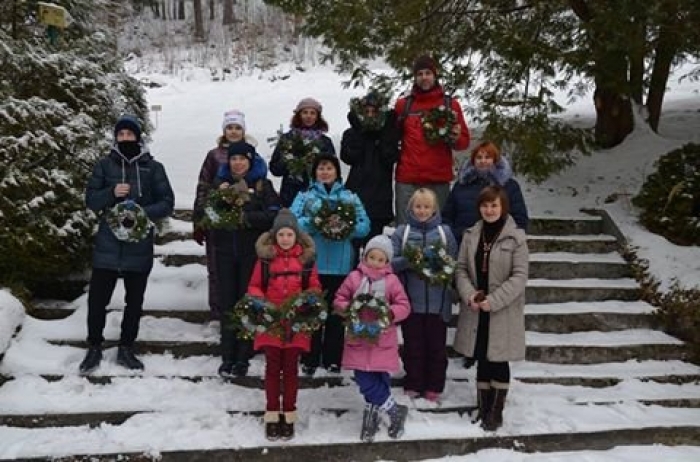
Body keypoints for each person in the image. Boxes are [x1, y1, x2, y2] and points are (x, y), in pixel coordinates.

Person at [80, 115, 175, 374]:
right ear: (115, 138)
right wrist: (111, 193)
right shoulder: (104, 165)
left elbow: (167, 202)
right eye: (120, 135)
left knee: (134, 301)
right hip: (108, 245)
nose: (125, 139)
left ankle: (126, 347)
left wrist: (142, 212)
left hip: (138, 245)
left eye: (129, 135)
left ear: (137, 137)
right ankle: (94, 347)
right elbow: (91, 200)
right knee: (97, 299)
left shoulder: (153, 168)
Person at [453, 185, 528, 432]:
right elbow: (461, 268)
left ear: (503, 207)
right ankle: (483, 407)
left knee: (498, 358)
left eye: (494, 205)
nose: (489, 210)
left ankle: (496, 412)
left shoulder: (516, 237)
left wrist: (494, 300)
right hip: (477, 308)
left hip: (502, 309)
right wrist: (469, 294)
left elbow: (519, 276)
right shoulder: (471, 234)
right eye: (485, 205)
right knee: (482, 356)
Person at [290, 153, 370, 375]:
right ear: (314, 172)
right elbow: (292, 224)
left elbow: (364, 226)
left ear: (337, 172)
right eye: (321, 168)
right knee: (312, 312)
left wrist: (343, 227)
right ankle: (310, 357)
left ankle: (333, 358)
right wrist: (318, 223)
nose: (325, 172)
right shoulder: (305, 197)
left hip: (341, 265)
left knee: (337, 314)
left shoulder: (350, 197)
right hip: (314, 263)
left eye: (329, 168)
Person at [247, 209, 321, 441]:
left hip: (296, 323)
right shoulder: (266, 260)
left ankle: (288, 414)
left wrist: (307, 301)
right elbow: (254, 286)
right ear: (275, 236)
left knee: (290, 370)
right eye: (281, 235)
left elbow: (314, 286)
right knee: (272, 369)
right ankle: (271, 413)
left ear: (296, 236)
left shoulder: (306, 261)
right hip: (272, 322)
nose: (286, 239)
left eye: (289, 234)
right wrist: (263, 303)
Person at [213, 140, 281, 378]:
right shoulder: (220, 184)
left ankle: (243, 355)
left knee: (248, 303)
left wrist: (246, 218)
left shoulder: (263, 185)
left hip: (250, 253)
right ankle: (227, 355)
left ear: (250, 161)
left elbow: (273, 216)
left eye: (242, 158)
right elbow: (208, 214)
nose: (237, 163)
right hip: (224, 252)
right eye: (233, 158)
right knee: (227, 303)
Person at [334, 235, 411, 442]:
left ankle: (372, 413)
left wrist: (389, 313)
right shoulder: (354, 278)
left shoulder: (392, 281)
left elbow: (404, 305)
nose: (375, 262)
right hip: (358, 337)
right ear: (365, 256)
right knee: (363, 378)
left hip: (382, 339)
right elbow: (339, 298)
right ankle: (394, 409)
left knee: (381, 379)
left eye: (380, 259)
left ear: (387, 262)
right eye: (372, 257)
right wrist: (347, 308)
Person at [390, 188, 457, 402]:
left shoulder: (445, 233)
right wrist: (411, 261)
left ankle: (434, 385)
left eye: (426, 207)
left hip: (438, 303)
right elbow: (390, 264)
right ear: (411, 208)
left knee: (437, 348)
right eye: (418, 206)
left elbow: (453, 262)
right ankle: (414, 381)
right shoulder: (403, 232)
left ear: (434, 209)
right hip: (411, 302)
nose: (422, 211)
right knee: (413, 346)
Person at [393, 55, 471, 224]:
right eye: (420, 74)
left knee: (438, 228)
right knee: (405, 229)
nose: (424, 77)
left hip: (438, 178)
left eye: (428, 73)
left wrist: (456, 137)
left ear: (435, 75)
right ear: (415, 77)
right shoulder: (403, 106)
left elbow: (463, 142)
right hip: (408, 178)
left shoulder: (451, 105)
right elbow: (391, 139)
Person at [192, 109, 253, 321]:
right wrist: (200, 218)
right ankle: (218, 312)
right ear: (224, 130)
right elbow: (203, 185)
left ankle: (243, 313)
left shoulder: (250, 152)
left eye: (237, 127)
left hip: (244, 222)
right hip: (217, 219)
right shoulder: (214, 155)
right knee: (216, 269)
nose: (234, 131)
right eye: (230, 127)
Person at [341, 90, 400, 255]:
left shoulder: (388, 133)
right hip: (356, 194)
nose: (370, 115)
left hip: (380, 197)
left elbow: (390, 157)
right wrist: (360, 132)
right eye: (366, 111)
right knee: (352, 246)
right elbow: (348, 156)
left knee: (374, 247)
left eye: (374, 111)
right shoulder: (351, 133)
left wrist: (385, 133)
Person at [442, 141, 529, 246]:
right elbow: (447, 216)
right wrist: (455, 236)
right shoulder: (461, 186)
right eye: (479, 157)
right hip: (463, 244)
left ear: (495, 160)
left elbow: (520, 219)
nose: (483, 161)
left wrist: (508, 241)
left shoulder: (509, 186)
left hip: (498, 246)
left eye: (487, 157)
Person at [270, 97, 336, 207]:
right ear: (299, 115)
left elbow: (333, 169)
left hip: (318, 194)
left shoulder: (325, 142)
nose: (308, 116)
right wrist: (289, 160)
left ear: (317, 117)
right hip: (290, 195)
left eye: (312, 113)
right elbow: (275, 169)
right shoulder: (287, 139)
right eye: (305, 112)